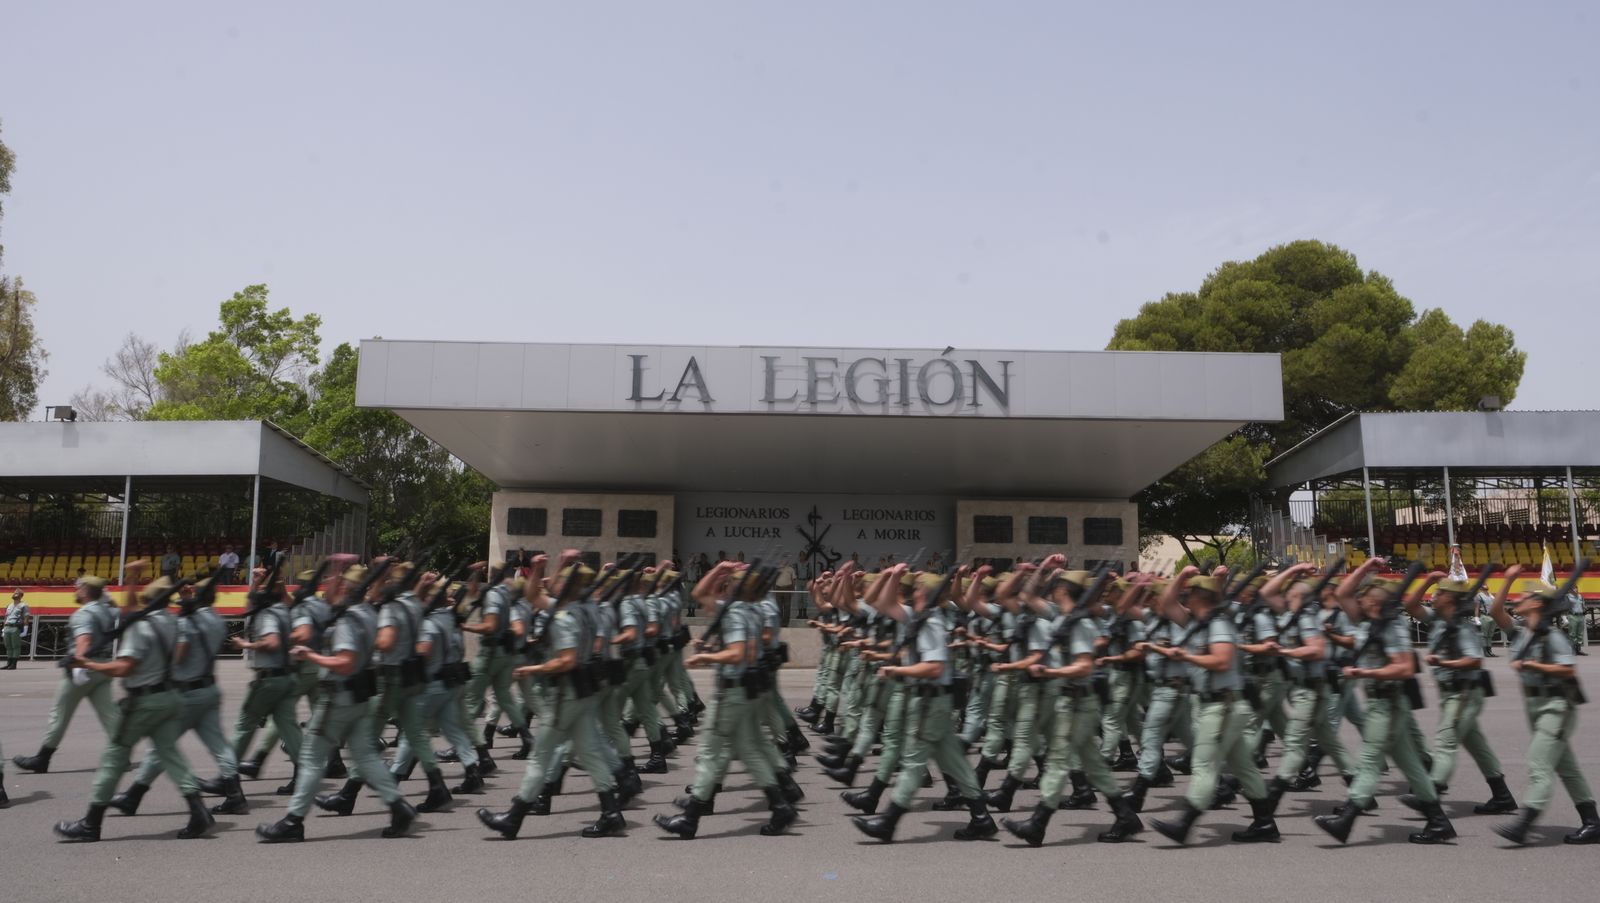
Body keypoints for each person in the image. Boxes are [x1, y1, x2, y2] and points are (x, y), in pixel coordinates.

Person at [255, 561, 417, 842]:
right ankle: (398, 807)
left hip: (338, 697)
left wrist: (310, 655)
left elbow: (345, 662)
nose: (332, 587)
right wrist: (337, 576)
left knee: (310, 758)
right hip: (360, 696)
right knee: (365, 756)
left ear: (348, 589)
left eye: (339, 583)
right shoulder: (368, 613)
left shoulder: (347, 621)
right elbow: (328, 604)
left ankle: (293, 821)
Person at [52, 567, 214, 842]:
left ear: (147, 599)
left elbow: (124, 668)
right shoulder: (172, 622)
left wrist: (87, 664)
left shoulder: (142, 626)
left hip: (144, 701)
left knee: (113, 757)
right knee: (171, 755)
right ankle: (199, 812)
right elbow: (130, 613)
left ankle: (91, 823)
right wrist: (132, 581)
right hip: (169, 697)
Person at [478, 555, 628, 840]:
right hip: (584, 690)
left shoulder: (565, 615)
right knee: (591, 753)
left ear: (566, 587)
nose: (553, 583)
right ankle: (611, 814)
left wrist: (533, 669)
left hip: (566, 693)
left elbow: (566, 660)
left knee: (540, 756)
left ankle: (513, 817)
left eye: (559, 581)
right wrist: (538, 569)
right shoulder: (588, 608)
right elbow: (534, 595)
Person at [850, 563, 997, 843]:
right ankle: (981, 819)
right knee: (956, 763)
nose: (910, 591)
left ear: (923, 594)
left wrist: (898, 670)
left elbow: (934, 667)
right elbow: (883, 603)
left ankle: (888, 822)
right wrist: (893, 576)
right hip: (930, 701)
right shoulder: (916, 617)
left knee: (912, 763)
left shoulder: (930, 623)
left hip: (930, 701)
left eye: (916, 588)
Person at [1312, 556, 1454, 845]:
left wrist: (1366, 672)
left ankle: (1346, 820)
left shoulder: (1392, 626)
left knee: (1368, 759)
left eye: (1364, 597)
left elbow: (1404, 668)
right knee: (1411, 765)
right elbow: (1343, 593)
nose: (1358, 600)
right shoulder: (1367, 622)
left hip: (1388, 703)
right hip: (1380, 702)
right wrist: (1365, 568)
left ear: (1374, 602)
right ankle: (1438, 822)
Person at [1150, 567, 1282, 845]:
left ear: (1202, 596)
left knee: (1204, 764)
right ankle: (1265, 823)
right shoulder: (1197, 622)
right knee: (1243, 767)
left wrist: (1187, 657)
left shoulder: (1218, 624)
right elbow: (1166, 602)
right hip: (1220, 705)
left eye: (1190, 592)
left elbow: (1222, 661)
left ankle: (1184, 824)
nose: (1186, 596)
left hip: (1223, 706)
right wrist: (1182, 576)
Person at [107, 576, 247, 818]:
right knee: (219, 745)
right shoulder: (216, 619)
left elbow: (176, 657)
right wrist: (189, 601)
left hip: (186, 692)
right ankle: (235, 795)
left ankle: (133, 796)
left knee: (161, 748)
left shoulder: (186, 622)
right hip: (209, 687)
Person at [1486, 575, 1599, 845]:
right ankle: (1593, 822)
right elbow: (1495, 611)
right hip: (1535, 706)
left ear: (1537, 603)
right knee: (1566, 767)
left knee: (1539, 763)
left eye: (1525, 597)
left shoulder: (1552, 636)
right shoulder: (1521, 632)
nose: (1519, 599)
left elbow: (1568, 669)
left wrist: (1533, 665)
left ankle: (1524, 824)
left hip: (1556, 706)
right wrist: (1508, 579)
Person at [1400, 567, 1518, 816]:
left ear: (1450, 600)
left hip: (1464, 693)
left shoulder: (1463, 629)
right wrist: (1428, 580)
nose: (1434, 596)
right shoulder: (1438, 620)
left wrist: (1443, 662)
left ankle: (1429, 795)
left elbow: (1474, 660)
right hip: (1451, 694)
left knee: (1445, 742)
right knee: (1477, 746)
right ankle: (1502, 796)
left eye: (1439, 593)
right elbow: (1410, 606)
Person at [12, 576, 121, 774]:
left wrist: (78, 664)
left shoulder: (83, 613)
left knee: (60, 715)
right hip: (102, 667)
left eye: (78, 587)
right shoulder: (107, 611)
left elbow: (84, 640)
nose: (75, 590)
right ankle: (123, 754)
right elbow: (116, 609)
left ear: (86, 590)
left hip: (82, 667)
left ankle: (43, 758)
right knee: (109, 714)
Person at [4, 588, 29, 669]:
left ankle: (14, 664)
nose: (14, 594)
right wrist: (3, 628)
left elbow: (26, 617)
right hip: (7, 626)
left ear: (21, 595)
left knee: (16, 646)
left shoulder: (24, 605)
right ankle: (9, 663)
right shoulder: (9, 605)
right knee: (8, 646)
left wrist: (25, 629)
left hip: (15, 627)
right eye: (14, 593)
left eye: (17, 593)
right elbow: (6, 617)